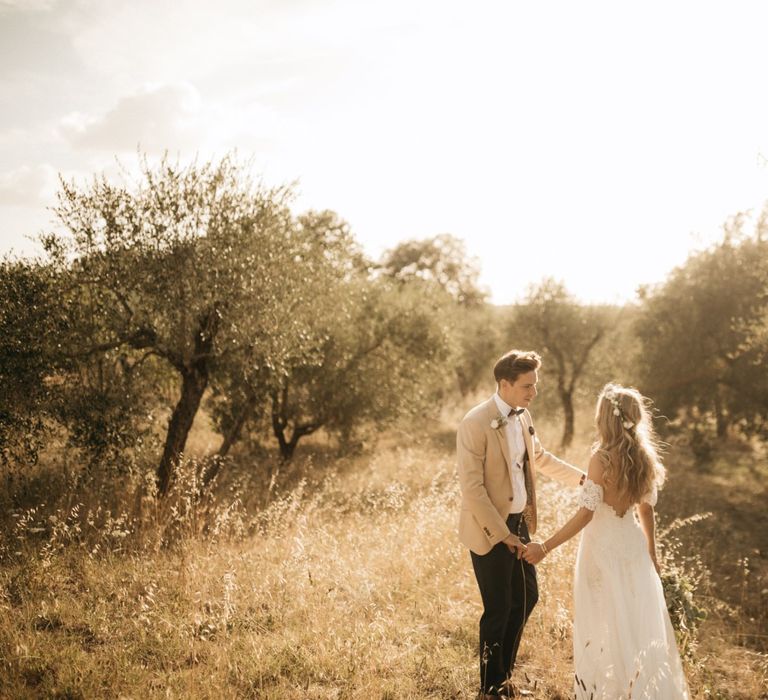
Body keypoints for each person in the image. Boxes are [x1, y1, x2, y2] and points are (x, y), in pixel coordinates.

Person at [524, 383, 690, 699]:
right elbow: (647, 511)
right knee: (635, 623)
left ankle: (607, 692)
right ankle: (640, 690)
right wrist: (652, 555)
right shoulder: (646, 458)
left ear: (607, 419)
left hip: (601, 549)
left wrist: (545, 546)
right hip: (634, 547)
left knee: (602, 624)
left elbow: (586, 514)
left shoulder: (601, 459)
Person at [457, 350, 586, 698]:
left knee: (527, 598)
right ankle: (490, 686)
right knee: (499, 607)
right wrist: (503, 535)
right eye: (527, 386)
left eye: (535, 385)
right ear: (505, 384)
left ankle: (503, 674)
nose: (533, 392)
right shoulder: (475, 422)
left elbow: (540, 457)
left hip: (520, 523)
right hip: (490, 529)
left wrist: (583, 480)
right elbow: (472, 488)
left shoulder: (523, 415)